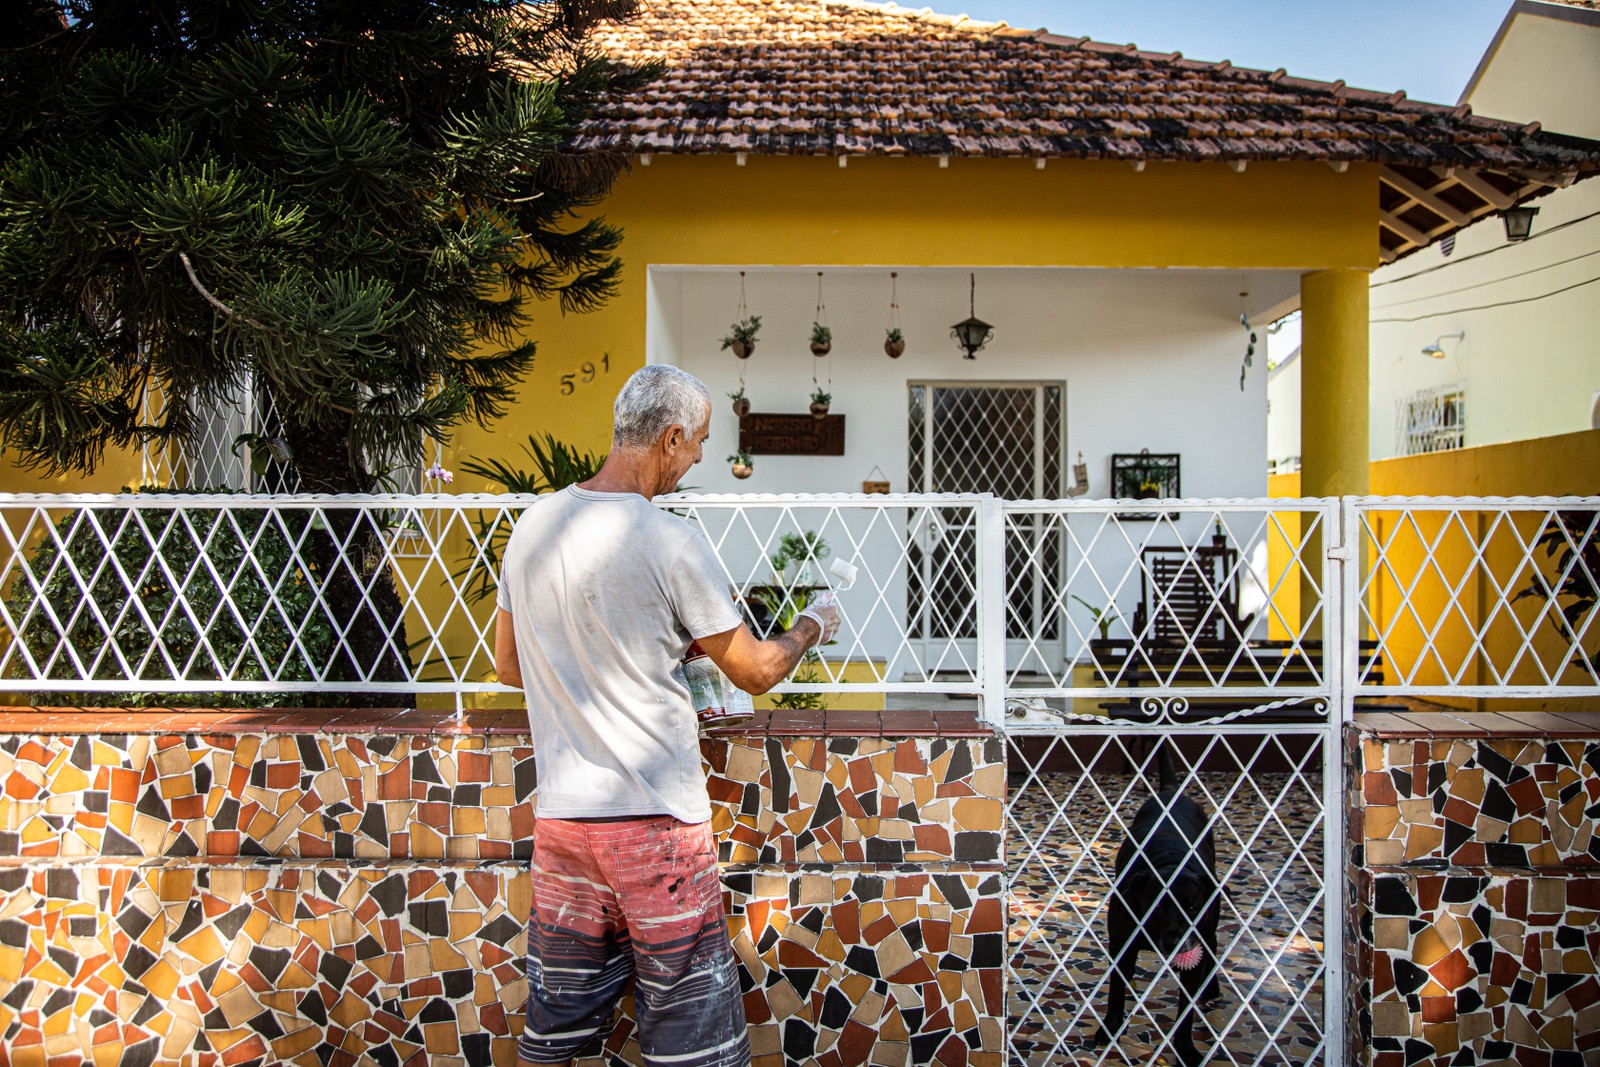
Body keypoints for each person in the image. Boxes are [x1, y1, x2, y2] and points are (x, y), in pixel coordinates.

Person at [495, 365, 841, 1067]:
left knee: (555, 1030)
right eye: (700, 442)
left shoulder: (532, 526)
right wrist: (812, 625)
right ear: (671, 436)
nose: (699, 458)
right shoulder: (670, 539)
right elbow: (755, 668)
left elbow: (509, 664)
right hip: (657, 833)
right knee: (693, 1042)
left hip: (563, 826)